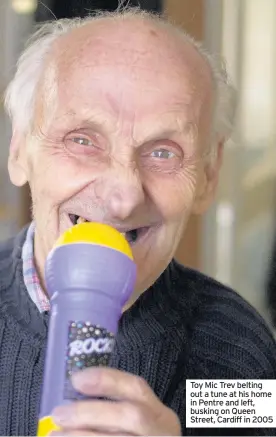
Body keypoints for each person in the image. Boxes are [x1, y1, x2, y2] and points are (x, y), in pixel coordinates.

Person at [1, 7, 276, 437]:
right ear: (18, 150)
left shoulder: (236, 351)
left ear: (208, 175)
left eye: (164, 152)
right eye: (82, 140)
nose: (123, 195)